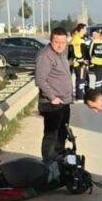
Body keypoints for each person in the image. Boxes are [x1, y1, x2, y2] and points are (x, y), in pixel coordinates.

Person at [34, 28, 74, 162]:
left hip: (64, 103)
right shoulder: (45, 56)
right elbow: (40, 80)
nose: (60, 45)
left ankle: (58, 163)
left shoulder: (61, 54)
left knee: (62, 135)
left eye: (63, 42)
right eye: (57, 42)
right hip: (52, 104)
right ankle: (48, 164)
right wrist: (52, 97)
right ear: (51, 41)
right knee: (51, 136)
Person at [68, 22, 92, 100]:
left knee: (83, 79)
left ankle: (81, 95)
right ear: (81, 29)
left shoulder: (78, 38)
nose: (86, 31)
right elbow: (77, 53)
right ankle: (80, 97)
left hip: (78, 63)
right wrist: (83, 61)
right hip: (79, 64)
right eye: (85, 29)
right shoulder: (77, 39)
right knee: (80, 79)